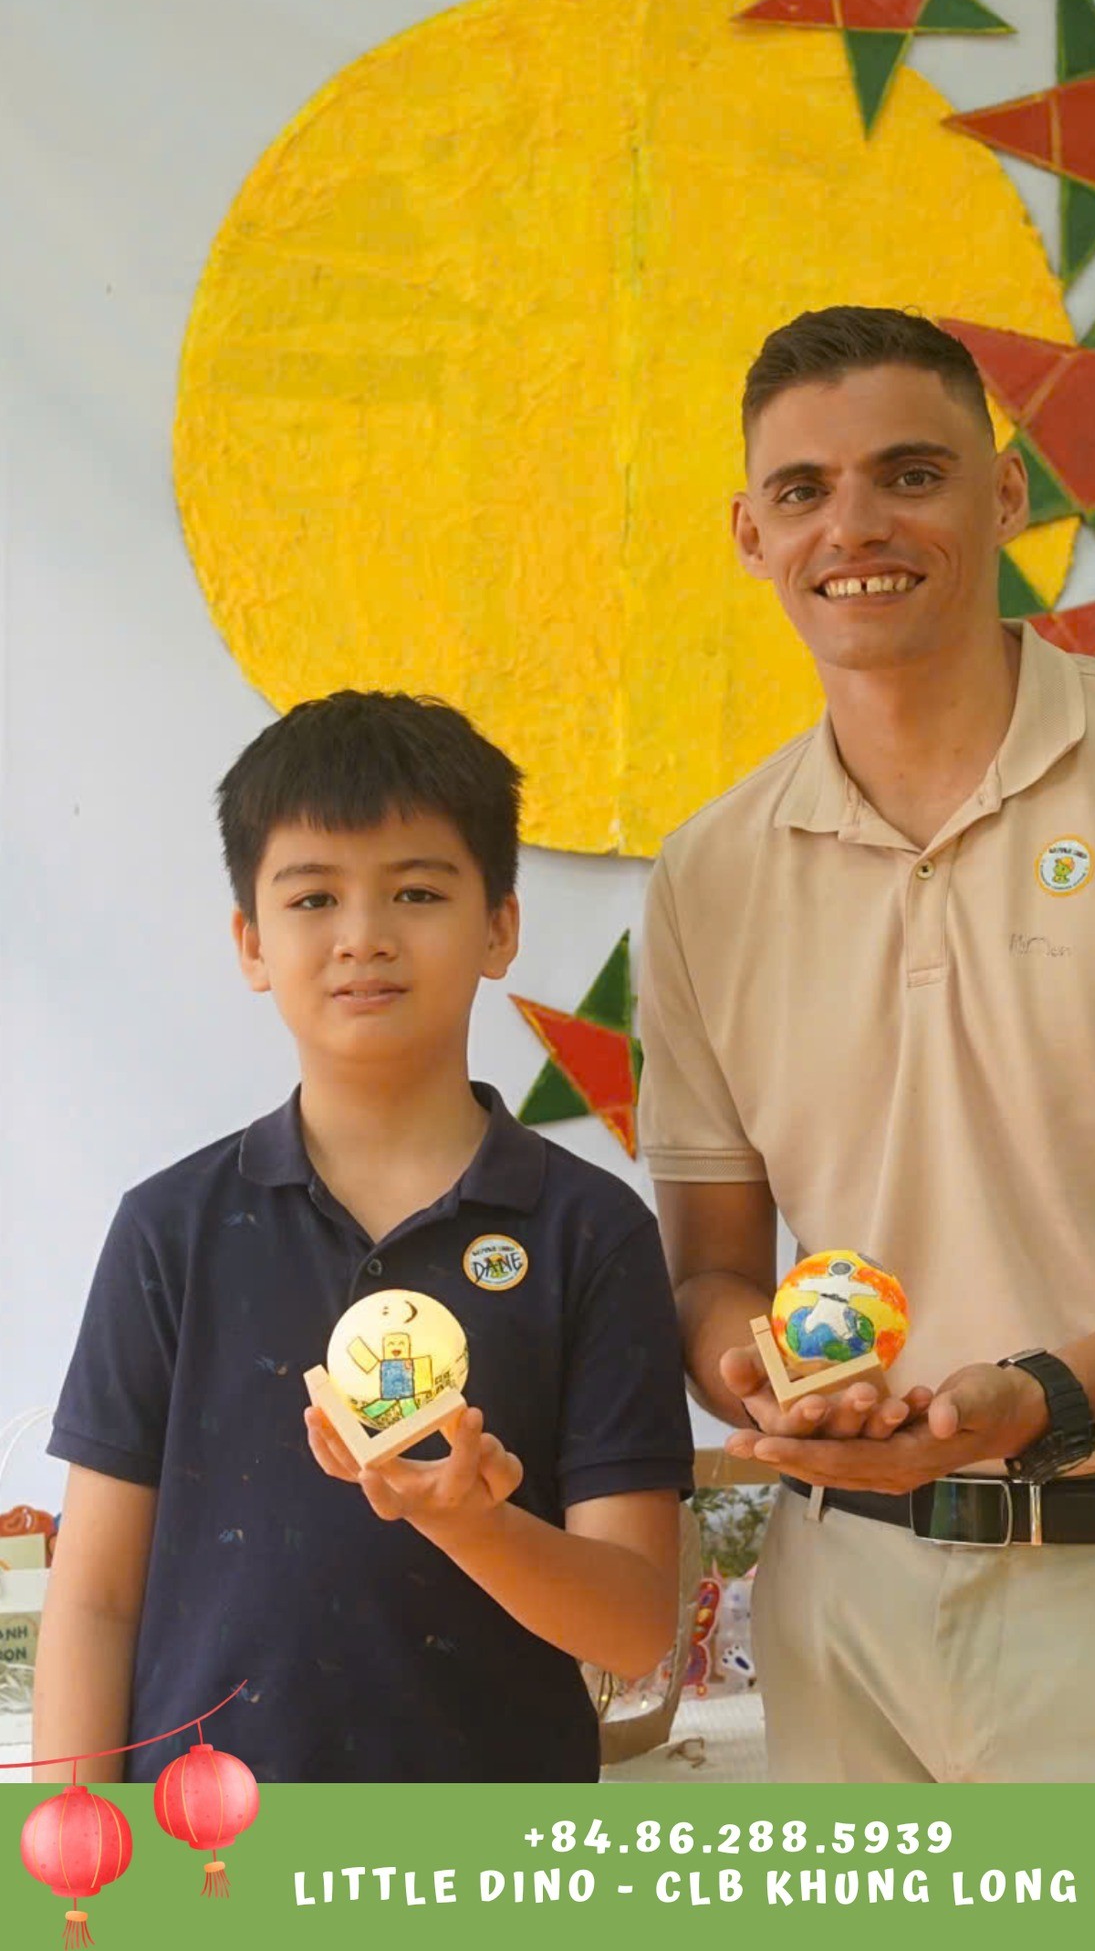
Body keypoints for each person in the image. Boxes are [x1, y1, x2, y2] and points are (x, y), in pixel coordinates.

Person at [637, 306, 1095, 1784]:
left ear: (1005, 493)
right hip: (834, 1598)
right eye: (803, 490)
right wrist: (767, 1383)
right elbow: (709, 1273)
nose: (855, 526)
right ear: (749, 532)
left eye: (910, 474)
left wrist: (1039, 1394)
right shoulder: (708, 872)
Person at [35, 692, 692, 1783]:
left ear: (499, 927)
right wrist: (73, 1859)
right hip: (210, 1847)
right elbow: (96, 1600)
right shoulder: (170, 1229)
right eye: (313, 897)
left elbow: (630, 1630)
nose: (363, 936)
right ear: (252, 942)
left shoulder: (590, 1231)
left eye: (417, 891)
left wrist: (473, 1523)